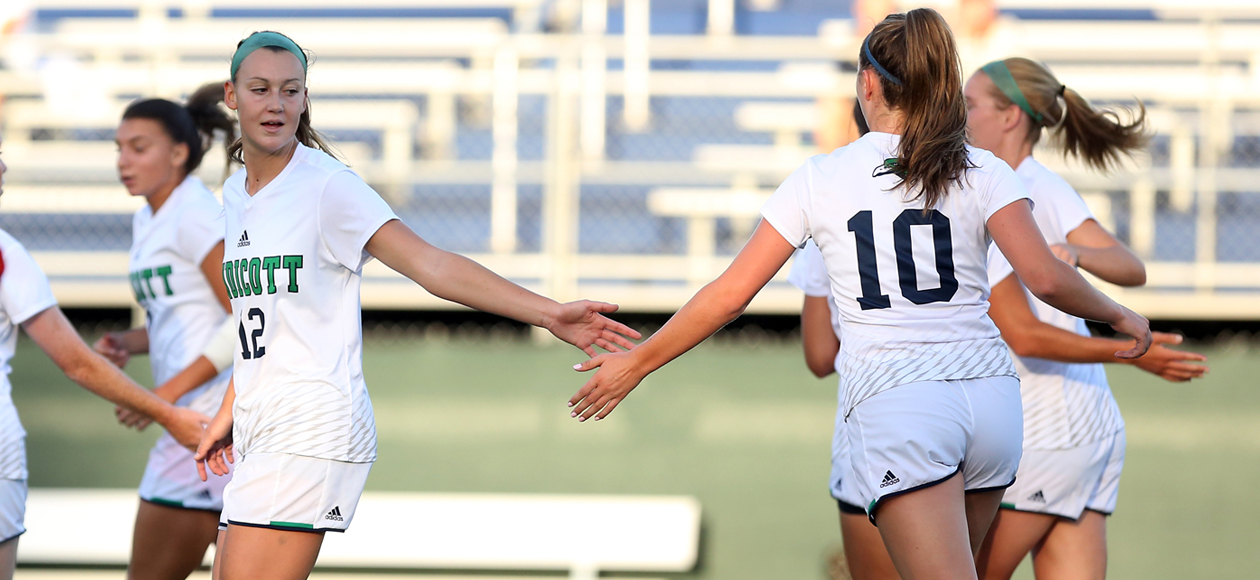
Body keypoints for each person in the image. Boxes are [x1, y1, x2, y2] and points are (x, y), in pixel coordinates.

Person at [567, 9, 1151, 580]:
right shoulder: (985, 168)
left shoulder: (821, 177)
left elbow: (729, 296)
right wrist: (1121, 314)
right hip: (994, 402)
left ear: (867, 82)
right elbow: (1046, 277)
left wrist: (636, 364)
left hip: (900, 402)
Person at [191, 31, 640, 580]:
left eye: (291, 90)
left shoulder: (328, 187)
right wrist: (230, 410)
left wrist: (548, 312)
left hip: (312, 428)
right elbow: (264, 325)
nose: (277, 104)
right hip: (262, 429)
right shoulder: (237, 195)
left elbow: (432, 266)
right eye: (260, 89)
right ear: (232, 96)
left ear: (305, 99)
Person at [963, 57, 1209, 580]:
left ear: (1009, 116)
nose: (957, 115)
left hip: (1045, 436)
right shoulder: (1042, 184)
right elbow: (1130, 267)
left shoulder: (1001, 191)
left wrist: (1073, 255)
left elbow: (1024, 335)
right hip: (1092, 429)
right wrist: (1073, 251)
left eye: (969, 105)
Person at [0, 142, 209, 580]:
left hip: (227, 429)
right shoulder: (6, 255)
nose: (2, 167)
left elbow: (236, 317)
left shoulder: (193, 213)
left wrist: (137, 350)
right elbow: (75, 362)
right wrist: (166, 410)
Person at [91, 83, 238, 580]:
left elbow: (246, 319)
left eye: (139, 147)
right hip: (192, 422)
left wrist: (162, 397)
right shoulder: (150, 217)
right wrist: (127, 344)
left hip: (204, 423)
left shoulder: (195, 215)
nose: (123, 160)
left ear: (179, 153)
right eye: (118, 148)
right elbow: (180, 314)